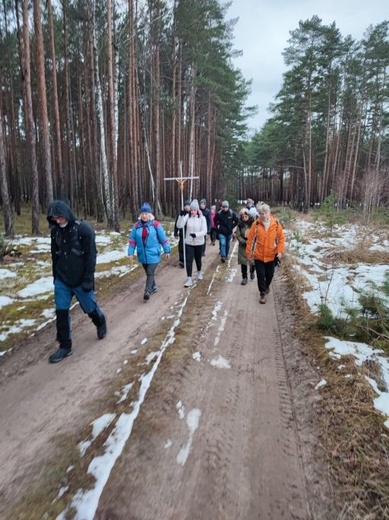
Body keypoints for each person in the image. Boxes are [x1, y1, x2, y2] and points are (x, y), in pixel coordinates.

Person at [47, 200, 107, 363]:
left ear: (67, 214)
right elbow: (55, 255)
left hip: (81, 279)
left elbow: (91, 256)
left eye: (60, 217)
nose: (58, 221)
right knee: (61, 312)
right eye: (54, 218)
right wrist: (55, 276)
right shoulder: (55, 232)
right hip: (62, 279)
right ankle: (65, 346)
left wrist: (88, 279)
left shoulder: (84, 230)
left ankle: (100, 321)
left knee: (89, 308)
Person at [128, 203, 171, 300]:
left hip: (154, 254)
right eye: (142, 213)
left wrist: (167, 250)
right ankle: (153, 286)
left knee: (150, 271)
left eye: (146, 213)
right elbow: (132, 240)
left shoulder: (155, 225)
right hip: (142, 255)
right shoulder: (136, 226)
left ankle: (147, 290)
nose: (144, 216)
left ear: (150, 214)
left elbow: (163, 239)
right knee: (148, 272)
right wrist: (130, 252)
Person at [246, 203, 285, 304]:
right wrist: (249, 253)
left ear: (269, 213)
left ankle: (267, 286)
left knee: (270, 275)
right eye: (261, 213)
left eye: (265, 213)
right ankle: (262, 293)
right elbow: (250, 239)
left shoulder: (276, 224)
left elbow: (281, 239)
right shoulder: (256, 224)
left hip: (271, 255)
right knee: (260, 274)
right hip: (259, 255)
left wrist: (280, 252)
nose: (263, 215)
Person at [176, 199, 207, 287]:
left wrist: (196, 235)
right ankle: (189, 278)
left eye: (194, 210)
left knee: (198, 259)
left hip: (199, 242)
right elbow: (179, 225)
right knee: (189, 260)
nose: (193, 212)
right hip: (189, 242)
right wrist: (181, 217)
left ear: (197, 210)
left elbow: (204, 231)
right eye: (192, 210)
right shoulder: (187, 217)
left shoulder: (202, 218)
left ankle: (199, 272)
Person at [235, 208, 255, 285]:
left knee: (252, 261)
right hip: (243, 246)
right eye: (242, 217)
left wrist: (252, 240)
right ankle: (244, 277)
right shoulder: (239, 225)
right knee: (243, 262)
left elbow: (256, 232)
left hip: (252, 245)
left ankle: (252, 271)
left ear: (248, 215)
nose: (244, 218)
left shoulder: (253, 223)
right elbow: (238, 235)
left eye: (245, 216)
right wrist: (244, 241)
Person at [174, 199, 191, 267]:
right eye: (185, 206)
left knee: (188, 248)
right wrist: (176, 233)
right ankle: (182, 261)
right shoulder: (181, 214)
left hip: (189, 234)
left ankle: (188, 259)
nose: (186, 207)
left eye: (188, 206)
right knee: (181, 247)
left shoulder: (191, 214)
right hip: (182, 234)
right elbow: (176, 224)